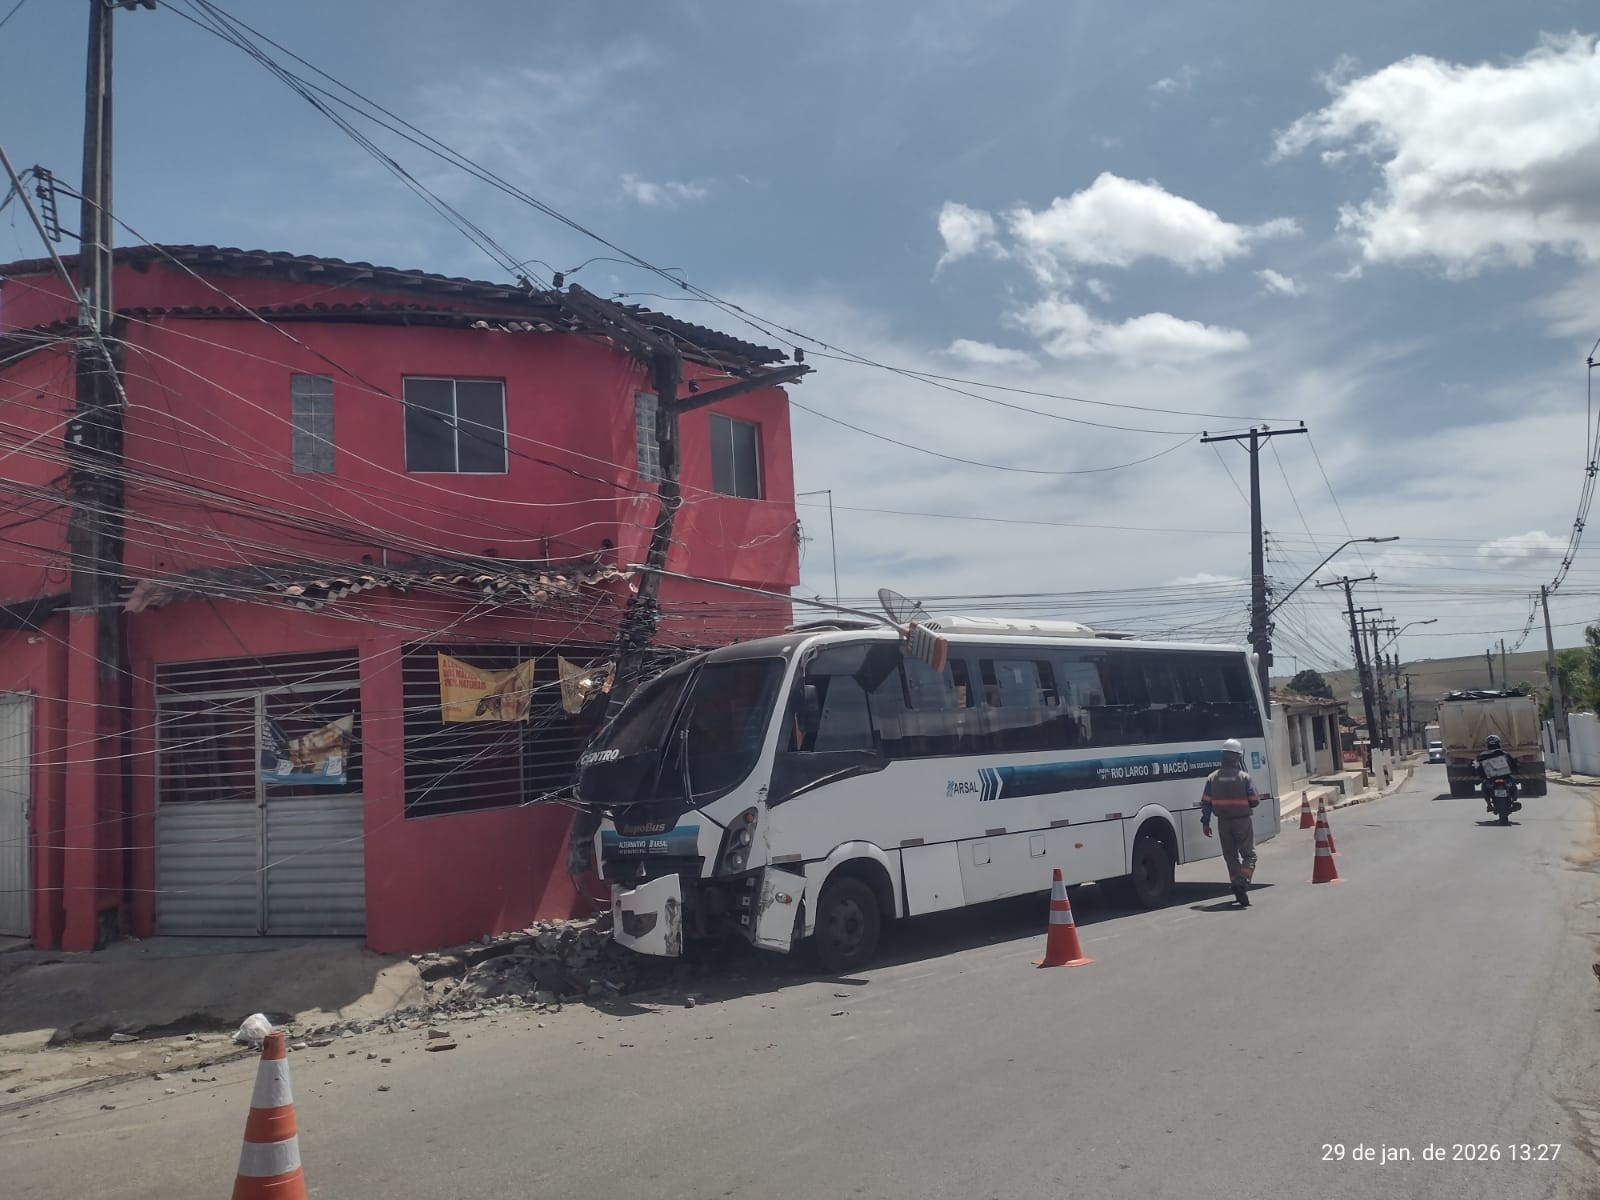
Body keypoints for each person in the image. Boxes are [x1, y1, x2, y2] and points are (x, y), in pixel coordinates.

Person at [1201, 738, 1261, 907]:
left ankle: (1237, 887)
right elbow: (1254, 800)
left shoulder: (1212, 778)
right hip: (1242, 821)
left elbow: (1206, 803)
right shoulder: (1244, 777)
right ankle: (1242, 881)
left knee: (1230, 857)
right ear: (1238, 758)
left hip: (1223, 823)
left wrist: (1206, 823)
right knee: (1249, 855)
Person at [1473, 734, 1521, 814]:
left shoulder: (1482, 756)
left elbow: (1478, 768)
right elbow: (1513, 765)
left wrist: (1481, 775)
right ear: (1498, 743)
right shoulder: (1504, 753)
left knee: (1484, 787)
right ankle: (1513, 800)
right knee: (1513, 784)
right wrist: (1516, 770)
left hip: (1491, 779)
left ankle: (1489, 804)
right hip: (1504, 778)